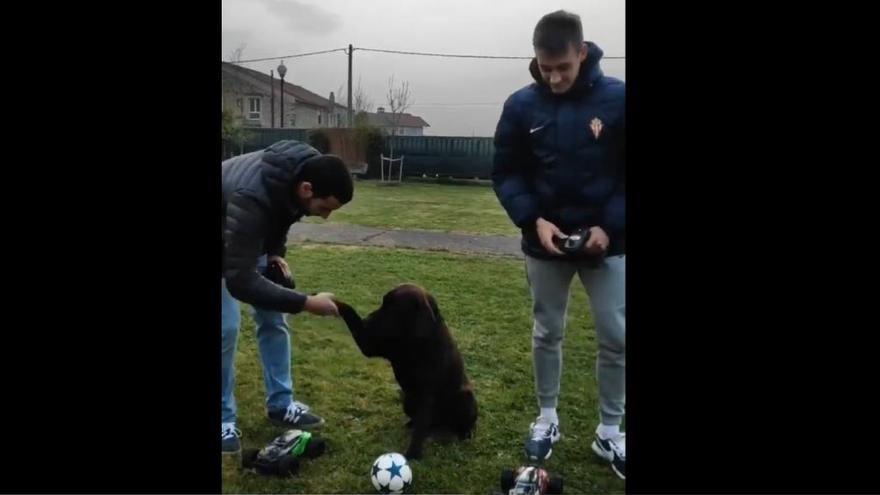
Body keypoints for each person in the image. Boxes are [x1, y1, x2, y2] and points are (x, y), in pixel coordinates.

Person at [491, 10, 626, 479]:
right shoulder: (520, 105)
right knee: (547, 331)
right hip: (543, 242)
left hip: (609, 244)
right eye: (545, 68)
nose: (553, 78)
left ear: (582, 52)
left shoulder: (619, 100)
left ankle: (611, 431)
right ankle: (547, 418)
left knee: (617, 336)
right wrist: (533, 221)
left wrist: (609, 227)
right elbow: (506, 172)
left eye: (563, 68)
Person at [221, 139, 353, 454]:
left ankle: (281, 404)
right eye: (325, 208)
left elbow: (282, 214)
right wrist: (307, 302)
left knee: (272, 317)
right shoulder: (252, 195)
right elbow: (240, 281)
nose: (325, 217)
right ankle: (223, 420)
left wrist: (274, 253)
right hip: (230, 232)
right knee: (225, 328)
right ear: (308, 189)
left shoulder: (298, 173)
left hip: (243, 235)